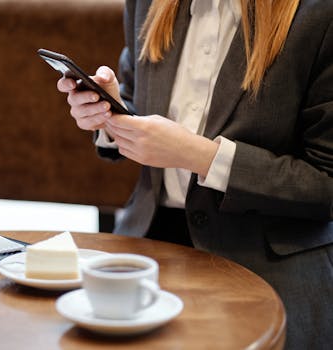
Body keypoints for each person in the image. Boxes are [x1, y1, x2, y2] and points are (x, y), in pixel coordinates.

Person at [55, 0, 332, 349]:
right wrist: (109, 115)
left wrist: (199, 156)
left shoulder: (318, 13)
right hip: (149, 245)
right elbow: (135, 96)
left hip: (265, 262)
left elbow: (326, 184)